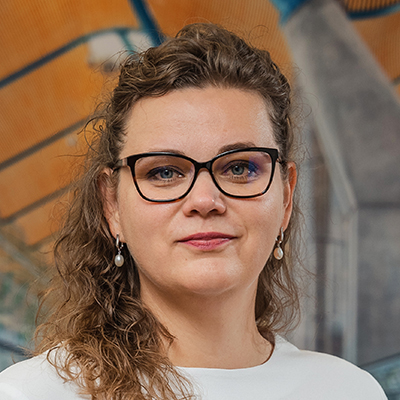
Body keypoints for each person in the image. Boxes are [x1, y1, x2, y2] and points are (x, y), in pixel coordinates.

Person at [0, 23, 387, 400]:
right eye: (164, 172)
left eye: (240, 168)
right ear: (112, 205)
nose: (205, 200)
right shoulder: (31, 394)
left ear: (286, 197)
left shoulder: (349, 391)